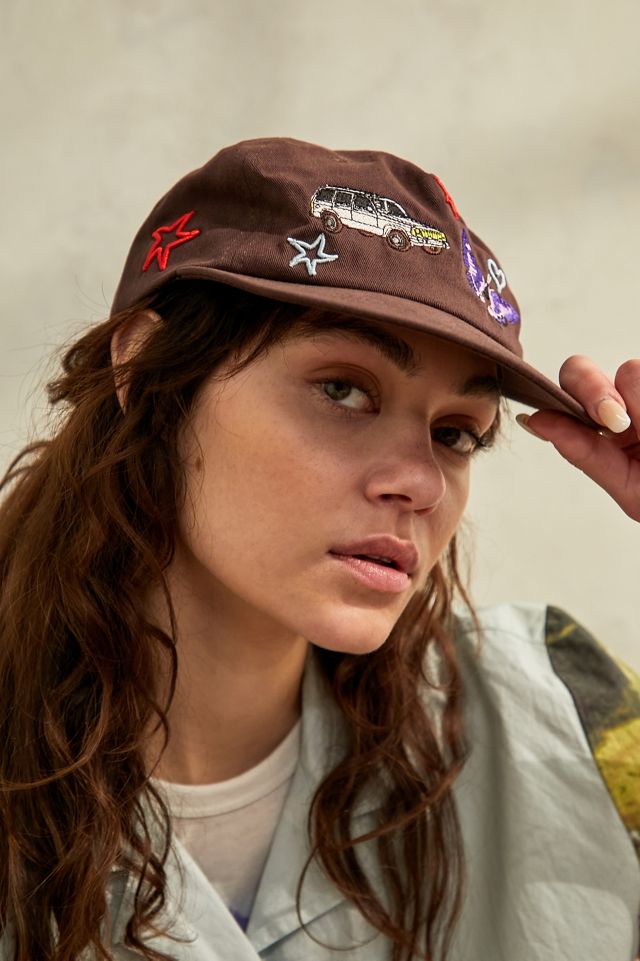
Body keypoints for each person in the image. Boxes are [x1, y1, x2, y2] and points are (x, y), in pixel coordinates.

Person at [0, 137, 638, 961]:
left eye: (456, 432)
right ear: (150, 366)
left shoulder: (560, 712)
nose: (420, 481)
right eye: (343, 389)